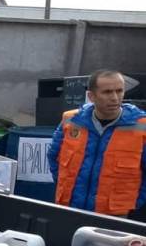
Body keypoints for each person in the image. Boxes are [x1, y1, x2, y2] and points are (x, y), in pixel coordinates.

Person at [48, 69, 146, 217]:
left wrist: (136, 203)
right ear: (91, 96)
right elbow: (53, 157)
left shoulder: (141, 127)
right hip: (70, 208)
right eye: (107, 92)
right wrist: (65, 187)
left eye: (119, 91)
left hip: (116, 215)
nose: (114, 98)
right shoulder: (71, 120)